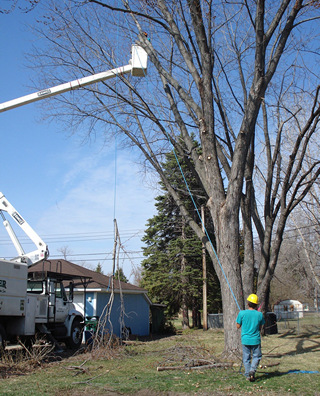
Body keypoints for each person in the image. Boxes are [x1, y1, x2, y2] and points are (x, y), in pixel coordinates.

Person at [236, 294, 265, 382]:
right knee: (257, 356)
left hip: (245, 340)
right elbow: (260, 327)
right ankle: (252, 371)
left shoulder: (242, 313)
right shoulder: (259, 314)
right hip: (255, 339)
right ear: (256, 305)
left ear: (248, 303)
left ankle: (248, 374)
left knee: (246, 358)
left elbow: (237, 326)